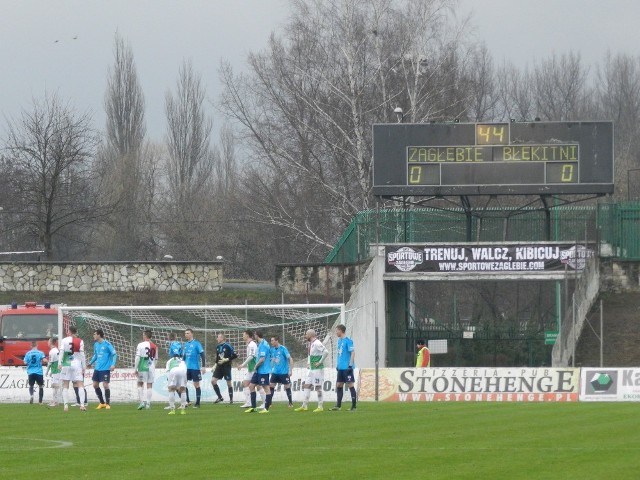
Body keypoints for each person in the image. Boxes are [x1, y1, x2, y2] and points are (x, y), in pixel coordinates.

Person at [294, 329, 329, 413]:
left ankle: (320, 406)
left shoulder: (317, 343)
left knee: (318, 387)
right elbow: (311, 355)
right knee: (306, 385)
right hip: (311, 369)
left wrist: (320, 362)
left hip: (317, 369)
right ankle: (304, 405)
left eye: (306, 334)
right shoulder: (311, 343)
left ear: (310, 335)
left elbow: (326, 352)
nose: (305, 336)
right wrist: (309, 363)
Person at [88, 328, 117, 410]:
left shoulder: (107, 344)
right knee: (95, 385)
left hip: (105, 368)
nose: (93, 336)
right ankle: (102, 403)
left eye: (94, 334)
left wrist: (113, 364)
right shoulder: (96, 344)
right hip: (97, 368)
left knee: (105, 385)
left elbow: (114, 354)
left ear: (99, 335)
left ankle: (108, 404)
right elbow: (96, 355)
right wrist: (90, 363)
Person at [60, 325, 87, 412]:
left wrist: (60, 363)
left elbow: (61, 352)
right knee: (80, 384)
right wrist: (84, 365)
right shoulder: (80, 341)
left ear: (70, 331)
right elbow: (82, 354)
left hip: (66, 362)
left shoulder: (64, 340)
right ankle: (82, 405)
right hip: (77, 363)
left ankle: (66, 406)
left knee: (65, 385)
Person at [330, 324, 357, 411]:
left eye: (337, 330)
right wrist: (338, 365)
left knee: (350, 385)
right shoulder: (339, 341)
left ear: (341, 331)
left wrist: (350, 365)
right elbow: (339, 354)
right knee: (339, 384)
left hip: (347, 367)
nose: (336, 332)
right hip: (341, 368)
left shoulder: (348, 341)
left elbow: (352, 353)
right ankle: (338, 406)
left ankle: (354, 406)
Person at [245, 330, 271, 413]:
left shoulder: (263, 345)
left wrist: (255, 366)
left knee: (266, 388)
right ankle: (254, 407)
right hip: (258, 371)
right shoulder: (260, 344)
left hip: (263, 370)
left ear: (257, 335)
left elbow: (262, 359)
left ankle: (266, 408)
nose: (254, 336)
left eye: (255, 335)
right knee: (251, 386)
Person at [238, 330, 266, 409]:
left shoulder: (252, 344)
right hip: (251, 368)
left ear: (247, 335)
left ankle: (264, 403)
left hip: (254, 368)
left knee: (256, 385)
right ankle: (249, 403)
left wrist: (243, 365)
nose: (242, 336)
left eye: (243, 335)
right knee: (247, 384)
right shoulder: (250, 344)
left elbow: (251, 356)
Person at [268, 335, 293, 408]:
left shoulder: (283, 349)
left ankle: (290, 403)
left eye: (272, 340)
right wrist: (270, 368)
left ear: (277, 341)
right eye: (271, 340)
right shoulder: (272, 349)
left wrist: (290, 370)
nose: (271, 342)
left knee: (287, 386)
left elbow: (290, 359)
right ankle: (269, 403)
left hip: (283, 372)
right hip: (275, 372)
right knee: (271, 385)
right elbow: (272, 360)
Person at [183, 328, 205, 408]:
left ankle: (198, 403)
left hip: (195, 368)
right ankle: (187, 401)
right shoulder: (185, 345)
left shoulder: (196, 343)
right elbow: (184, 357)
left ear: (192, 334)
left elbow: (202, 355)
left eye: (188, 333)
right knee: (184, 384)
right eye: (185, 333)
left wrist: (203, 366)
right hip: (186, 368)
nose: (186, 334)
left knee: (196, 384)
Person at [134, 330, 157, 410]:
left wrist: (135, 369)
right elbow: (156, 359)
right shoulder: (154, 346)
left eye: (143, 335)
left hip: (142, 367)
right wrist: (153, 367)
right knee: (149, 384)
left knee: (140, 383)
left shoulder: (140, 345)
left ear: (145, 336)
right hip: (151, 367)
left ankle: (141, 402)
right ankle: (148, 404)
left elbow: (137, 358)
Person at [211, 333, 236, 404]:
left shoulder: (228, 346)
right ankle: (220, 397)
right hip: (219, 366)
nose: (217, 339)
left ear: (222, 338)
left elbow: (235, 355)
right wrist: (214, 365)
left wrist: (227, 359)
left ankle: (231, 400)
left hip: (226, 366)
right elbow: (217, 358)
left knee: (228, 383)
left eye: (218, 337)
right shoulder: (217, 347)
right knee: (213, 381)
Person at [45, 337, 61, 407]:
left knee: (55, 386)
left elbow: (50, 363)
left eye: (48, 341)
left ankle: (55, 402)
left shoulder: (52, 351)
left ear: (51, 342)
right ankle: (55, 400)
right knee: (56, 386)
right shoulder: (56, 350)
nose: (47, 343)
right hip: (57, 370)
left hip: (56, 371)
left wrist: (47, 371)